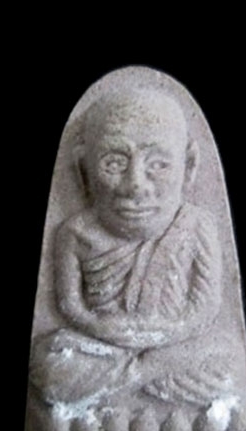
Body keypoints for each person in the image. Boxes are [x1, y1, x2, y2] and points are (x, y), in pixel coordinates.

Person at [29, 89, 222, 408]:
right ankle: (146, 375)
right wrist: (100, 327)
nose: (135, 184)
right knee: (49, 360)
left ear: (189, 166)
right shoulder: (76, 233)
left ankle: (126, 382)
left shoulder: (197, 226)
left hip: (170, 342)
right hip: (103, 344)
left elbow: (205, 308)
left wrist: (165, 333)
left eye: (158, 164)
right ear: (83, 169)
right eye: (114, 163)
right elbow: (71, 306)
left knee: (221, 361)